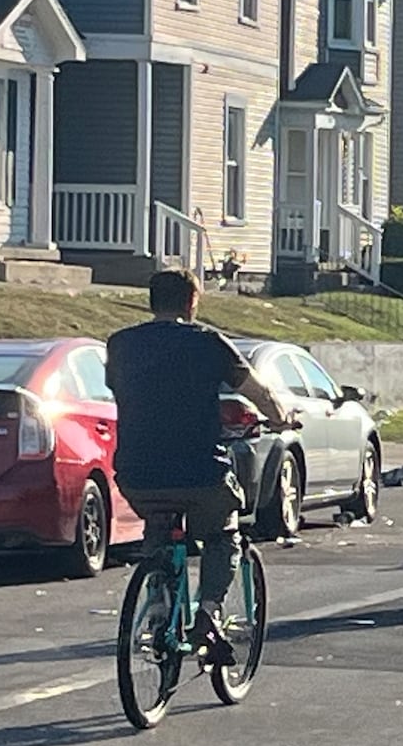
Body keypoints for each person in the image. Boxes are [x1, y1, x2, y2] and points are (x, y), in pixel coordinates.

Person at [105, 268, 292, 666]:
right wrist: (280, 418)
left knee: (158, 524)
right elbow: (257, 390)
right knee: (224, 532)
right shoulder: (209, 343)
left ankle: (157, 600)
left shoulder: (120, 345)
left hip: (137, 473)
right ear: (192, 302)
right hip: (199, 471)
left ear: (151, 301)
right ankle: (208, 613)